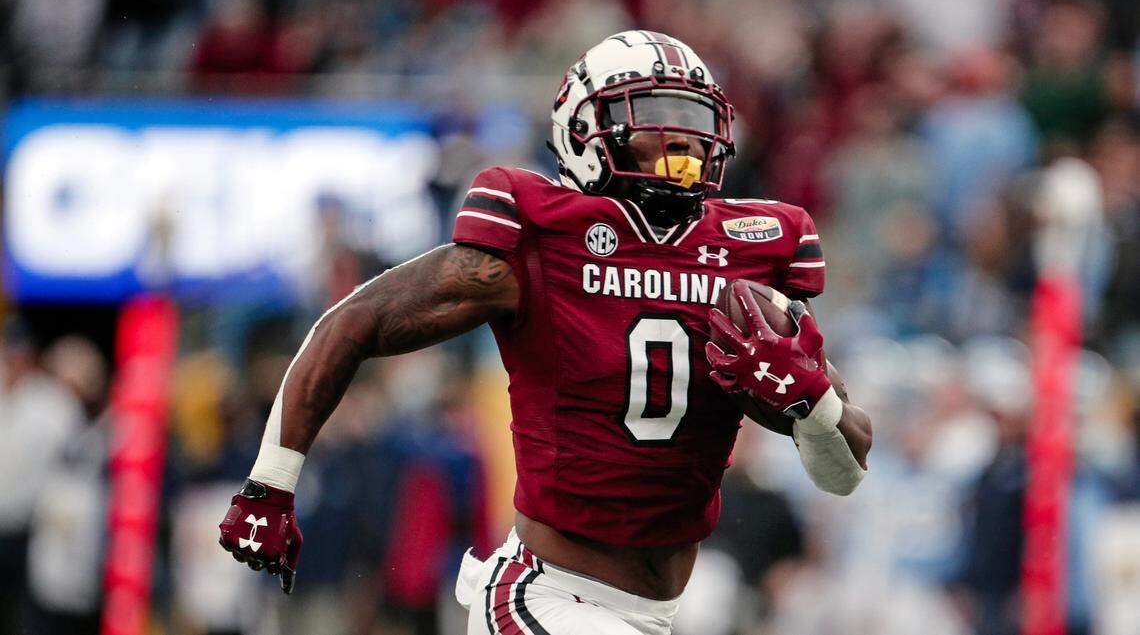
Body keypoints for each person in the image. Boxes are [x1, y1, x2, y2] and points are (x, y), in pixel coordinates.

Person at [218, 31, 872, 635]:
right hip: (546, 594)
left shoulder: (748, 255)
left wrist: (810, 401)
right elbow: (353, 320)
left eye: (695, 120)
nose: (684, 141)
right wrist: (269, 483)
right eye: (654, 117)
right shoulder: (540, 237)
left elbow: (842, 474)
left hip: (658, 610)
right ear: (586, 133)